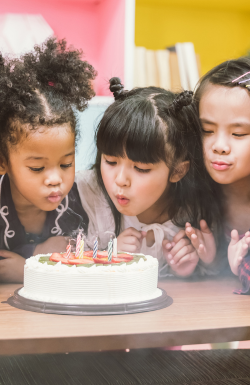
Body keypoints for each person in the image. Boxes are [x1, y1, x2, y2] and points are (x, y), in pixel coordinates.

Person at [0, 38, 95, 283]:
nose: (56, 180)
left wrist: (28, 265)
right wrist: (38, 256)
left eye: (66, 164)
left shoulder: (80, 201)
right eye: (37, 168)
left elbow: (84, 264)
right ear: (1, 162)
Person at [76, 79, 221, 277]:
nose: (120, 180)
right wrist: (106, 256)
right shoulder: (82, 196)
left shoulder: (194, 214)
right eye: (110, 161)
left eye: (141, 168)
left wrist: (187, 270)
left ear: (178, 171)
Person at [195, 57, 250, 306]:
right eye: (207, 130)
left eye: (238, 133)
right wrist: (212, 262)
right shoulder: (191, 188)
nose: (220, 146)